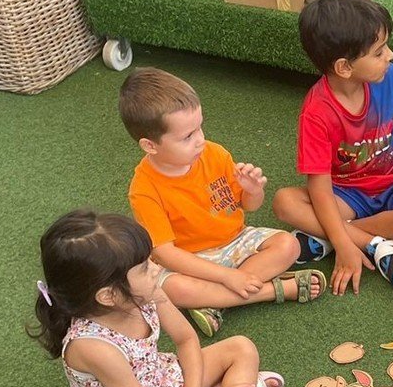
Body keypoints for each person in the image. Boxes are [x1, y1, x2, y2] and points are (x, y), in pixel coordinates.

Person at [32, 211, 279, 387]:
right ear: (109, 295)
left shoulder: (145, 293)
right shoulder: (93, 347)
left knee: (241, 347)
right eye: (145, 267)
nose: (156, 268)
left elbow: (186, 340)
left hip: (161, 379)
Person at [119, 67, 321, 335]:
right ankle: (272, 290)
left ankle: (214, 302)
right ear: (150, 145)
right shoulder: (144, 189)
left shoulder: (214, 153)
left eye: (199, 127)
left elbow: (248, 206)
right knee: (167, 288)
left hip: (236, 242)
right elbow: (166, 253)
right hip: (189, 261)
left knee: (288, 244)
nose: (200, 140)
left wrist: (253, 190)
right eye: (187, 136)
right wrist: (228, 277)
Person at [271, 0, 393, 295]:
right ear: (344, 67)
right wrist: (346, 246)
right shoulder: (316, 112)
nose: (390, 55)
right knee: (284, 202)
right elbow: (321, 189)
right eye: (379, 52)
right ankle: (376, 246)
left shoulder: (390, 76)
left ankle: (327, 236)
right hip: (347, 194)